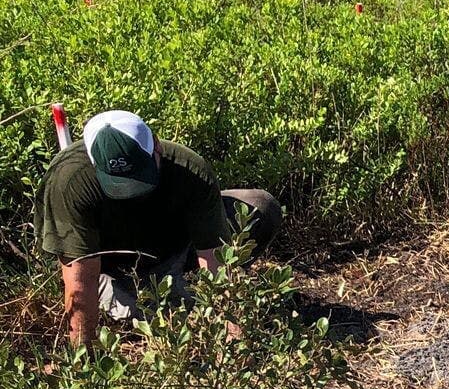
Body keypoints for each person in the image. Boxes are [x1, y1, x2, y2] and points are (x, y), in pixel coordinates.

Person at [34, 110, 282, 346]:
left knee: (260, 207)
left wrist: (231, 336)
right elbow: (80, 278)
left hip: (173, 246)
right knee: (161, 317)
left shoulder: (190, 168)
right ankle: (138, 297)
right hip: (113, 268)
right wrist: (82, 358)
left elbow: (215, 259)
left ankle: (182, 286)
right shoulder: (68, 181)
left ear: (157, 146)